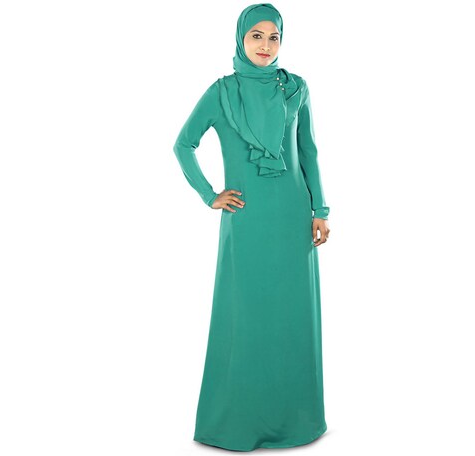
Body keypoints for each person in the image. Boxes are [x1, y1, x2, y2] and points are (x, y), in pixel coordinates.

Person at [173, 3, 330, 451]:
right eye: (256, 36)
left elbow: (308, 152)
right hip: (246, 220)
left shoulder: (295, 88)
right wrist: (210, 195)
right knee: (245, 316)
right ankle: (238, 421)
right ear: (241, 39)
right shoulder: (222, 92)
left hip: (293, 220)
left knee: (291, 318)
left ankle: (295, 420)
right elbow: (183, 144)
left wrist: (320, 209)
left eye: (273, 36)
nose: (265, 45)